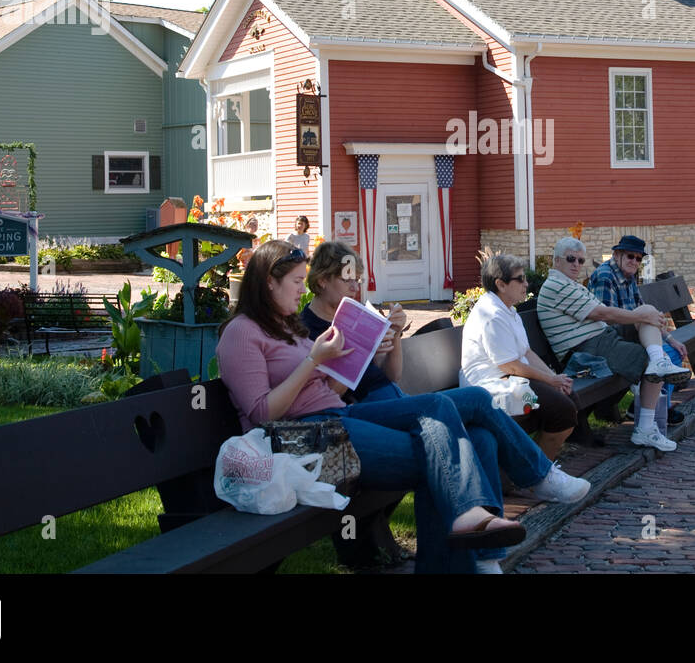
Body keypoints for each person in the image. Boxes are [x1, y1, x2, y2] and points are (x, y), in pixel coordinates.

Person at [216, 240, 588, 574]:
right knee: (455, 450)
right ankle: (480, 545)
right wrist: (314, 359)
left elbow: (329, 389)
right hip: (305, 440)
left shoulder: (287, 327)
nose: (301, 289)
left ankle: (529, 485)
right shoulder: (241, 332)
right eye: (296, 282)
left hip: (339, 416)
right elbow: (263, 414)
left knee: (474, 407)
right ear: (268, 282)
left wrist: (361, 352)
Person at [538, 236, 690, 453]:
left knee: (648, 314)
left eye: (581, 261)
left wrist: (666, 335)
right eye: (571, 259)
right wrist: (643, 319)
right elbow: (602, 313)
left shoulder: (569, 285)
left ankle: (658, 362)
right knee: (653, 357)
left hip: (600, 338)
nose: (576, 265)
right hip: (585, 350)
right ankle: (645, 427)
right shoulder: (557, 285)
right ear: (556, 260)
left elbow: (611, 313)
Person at [461, 254, 578, 462]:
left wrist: (554, 378)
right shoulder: (492, 315)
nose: (526, 283)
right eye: (520, 279)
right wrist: (550, 380)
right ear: (501, 284)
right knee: (563, 410)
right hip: (492, 388)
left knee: (568, 397)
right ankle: (539, 472)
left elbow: (526, 352)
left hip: (514, 380)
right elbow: (509, 365)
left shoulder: (508, 310)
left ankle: (536, 466)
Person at [588, 235, 688, 432]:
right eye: (630, 256)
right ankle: (656, 410)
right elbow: (606, 318)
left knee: (673, 352)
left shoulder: (629, 277)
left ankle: (645, 407)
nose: (634, 261)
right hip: (609, 339)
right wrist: (641, 316)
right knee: (661, 355)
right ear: (617, 255)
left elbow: (644, 312)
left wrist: (672, 339)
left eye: (638, 258)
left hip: (634, 331)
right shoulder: (605, 276)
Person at [300, 240, 407, 403]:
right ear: (322, 280)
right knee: (441, 405)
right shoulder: (305, 328)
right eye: (347, 280)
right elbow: (326, 397)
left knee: (445, 405)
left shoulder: (358, 315)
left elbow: (393, 375)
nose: (355, 288)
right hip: (365, 408)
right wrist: (361, 351)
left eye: (357, 280)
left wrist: (396, 332)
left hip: (392, 397)